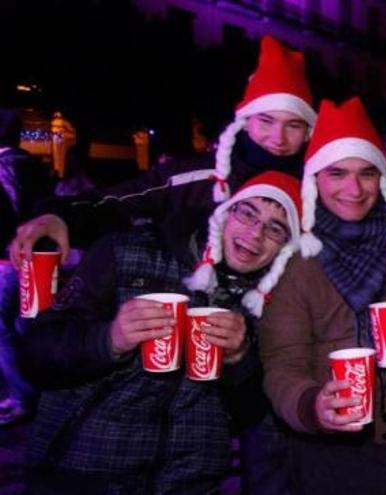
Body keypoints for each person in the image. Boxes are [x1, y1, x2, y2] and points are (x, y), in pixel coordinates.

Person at [23, 171, 303, 493]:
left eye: (276, 228)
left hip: (188, 481)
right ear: (224, 213)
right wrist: (108, 339)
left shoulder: (268, 302)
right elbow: (36, 353)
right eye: (247, 212)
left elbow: (253, 414)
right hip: (86, 473)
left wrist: (239, 360)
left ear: (287, 245)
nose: (255, 234)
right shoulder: (125, 252)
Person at [258, 97, 386, 494]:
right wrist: (313, 406)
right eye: (337, 173)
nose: (353, 188)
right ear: (315, 180)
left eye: (367, 173)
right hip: (330, 457)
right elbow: (281, 363)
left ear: (382, 182)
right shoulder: (295, 261)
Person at [9, 35, 316, 269]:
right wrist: (60, 217)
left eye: (293, 125)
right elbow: (116, 203)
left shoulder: (321, 189)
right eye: (266, 120)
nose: (278, 137)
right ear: (246, 121)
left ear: (307, 132)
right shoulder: (194, 175)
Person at [0, 108, 53, 425]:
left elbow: (10, 210)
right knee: (28, 325)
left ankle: (24, 397)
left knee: (4, 328)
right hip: (38, 258)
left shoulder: (3, 167)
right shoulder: (33, 165)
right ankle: (32, 394)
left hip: (9, 258)